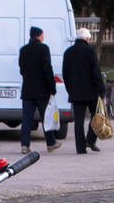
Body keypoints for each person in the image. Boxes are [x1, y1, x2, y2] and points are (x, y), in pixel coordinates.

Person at [17, 26, 61, 154]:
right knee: (46, 117)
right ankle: (51, 143)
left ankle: (24, 145)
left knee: (26, 119)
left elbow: (22, 69)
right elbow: (47, 69)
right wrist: (52, 88)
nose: (44, 37)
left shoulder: (23, 50)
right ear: (39, 35)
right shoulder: (43, 49)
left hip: (27, 90)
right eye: (43, 35)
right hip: (42, 91)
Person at [62, 27, 104, 154]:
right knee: (96, 116)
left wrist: (69, 89)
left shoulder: (68, 52)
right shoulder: (90, 51)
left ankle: (80, 147)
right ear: (87, 39)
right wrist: (101, 90)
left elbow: (65, 74)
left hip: (76, 92)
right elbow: (96, 73)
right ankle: (90, 140)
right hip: (91, 92)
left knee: (79, 121)